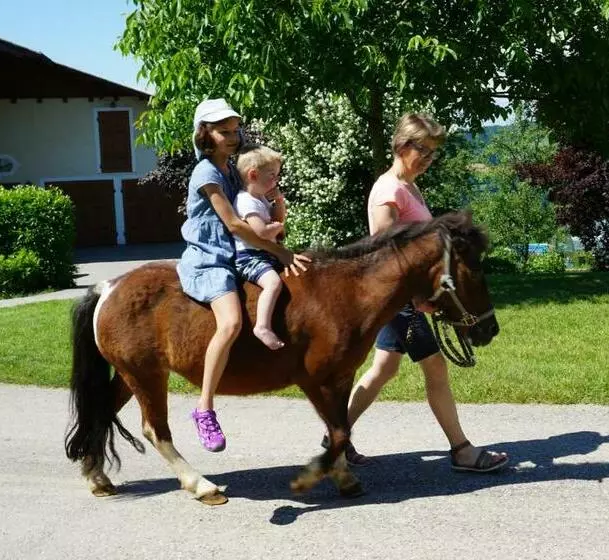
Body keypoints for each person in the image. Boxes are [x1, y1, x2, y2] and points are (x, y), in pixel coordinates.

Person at [333, 112, 509, 473]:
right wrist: (417, 299)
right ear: (401, 145)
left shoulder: (409, 186)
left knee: (382, 370)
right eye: (423, 151)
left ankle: (336, 436)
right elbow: (385, 255)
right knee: (436, 367)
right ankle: (461, 449)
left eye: (433, 153)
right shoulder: (389, 190)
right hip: (397, 302)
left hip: (400, 301)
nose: (428, 159)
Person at [177, 99, 310, 452]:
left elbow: (252, 204)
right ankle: (204, 409)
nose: (233, 137)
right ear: (206, 134)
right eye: (224, 131)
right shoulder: (206, 172)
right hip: (212, 257)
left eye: (236, 130)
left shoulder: (232, 169)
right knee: (232, 323)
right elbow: (234, 224)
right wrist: (278, 250)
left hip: (239, 251)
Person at [233, 145, 287, 350]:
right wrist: (276, 226)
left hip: (264, 254)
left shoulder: (260, 198)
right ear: (253, 175)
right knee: (273, 283)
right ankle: (262, 326)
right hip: (250, 258)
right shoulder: (246, 202)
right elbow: (261, 232)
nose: (276, 180)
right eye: (272, 175)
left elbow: (277, 218)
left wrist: (279, 201)